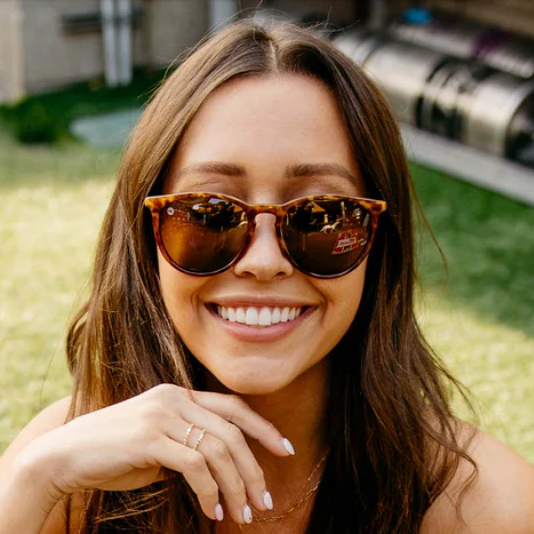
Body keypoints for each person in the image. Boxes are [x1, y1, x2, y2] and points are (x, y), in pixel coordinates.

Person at [1, 18, 533, 534]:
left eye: (320, 216)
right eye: (208, 213)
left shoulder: (486, 507)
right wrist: (33, 483)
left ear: (378, 245)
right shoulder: (62, 466)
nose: (262, 261)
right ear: (146, 241)